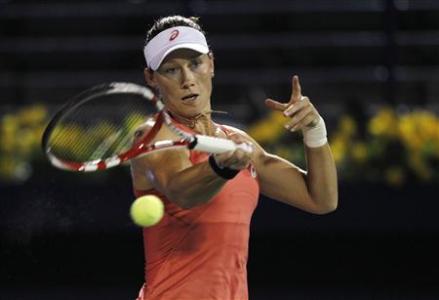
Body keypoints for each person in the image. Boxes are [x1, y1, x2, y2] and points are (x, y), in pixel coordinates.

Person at [130, 15, 338, 300]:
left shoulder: (238, 141)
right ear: (151, 78)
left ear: (211, 64)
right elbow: (181, 191)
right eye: (171, 69)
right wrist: (221, 167)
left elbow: (321, 199)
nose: (187, 80)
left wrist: (315, 132)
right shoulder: (153, 135)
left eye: (195, 64)